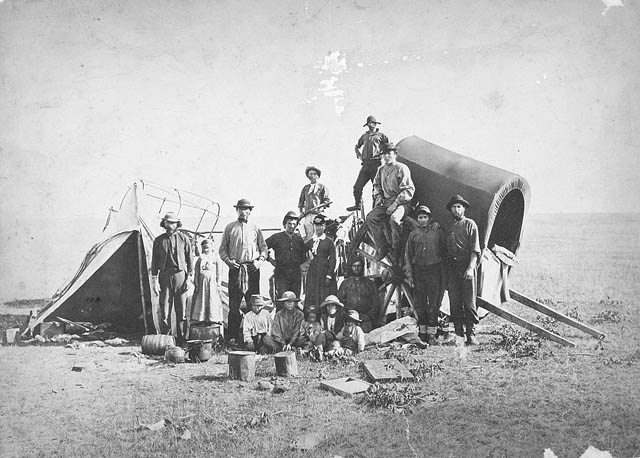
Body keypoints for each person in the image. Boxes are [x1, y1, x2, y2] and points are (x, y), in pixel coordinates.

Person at [218, 198, 268, 344]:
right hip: (236, 269)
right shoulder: (230, 228)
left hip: (252, 269)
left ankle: (255, 337)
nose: (242, 211)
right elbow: (222, 250)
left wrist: (259, 262)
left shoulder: (255, 228)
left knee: (254, 304)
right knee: (234, 304)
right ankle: (233, 337)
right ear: (237, 211)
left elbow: (264, 248)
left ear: (250, 211)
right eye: (240, 209)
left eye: (245, 209)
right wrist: (229, 262)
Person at [365, 142, 415, 263]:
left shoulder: (402, 168)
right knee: (370, 218)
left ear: (395, 154)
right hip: (386, 201)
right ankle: (382, 246)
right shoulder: (381, 170)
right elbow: (376, 186)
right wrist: (379, 196)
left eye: (389, 153)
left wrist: (395, 204)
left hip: (402, 202)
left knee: (394, 219)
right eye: (384, 154)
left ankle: (396, 247)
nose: (386, 156)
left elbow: (408, 189)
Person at [443, 195, 481, 345]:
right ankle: (459, 335)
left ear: (464, 209)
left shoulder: (470, 224)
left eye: (459, 206)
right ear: (451, 210)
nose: (456, 209)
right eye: (454, 207)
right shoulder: (447, 226)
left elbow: (475, 249)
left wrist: (471, 268)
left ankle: (471, 334)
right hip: (452, 268)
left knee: (469, 302)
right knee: (455, 301)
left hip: (467, 266)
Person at [151, 212, 194, 346]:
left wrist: (188, 278)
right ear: (164, 224)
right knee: (165, 310)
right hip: (164, 276)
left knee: (181, 310)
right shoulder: (158, 240)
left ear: (177, 224)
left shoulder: (184, 239)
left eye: (173, 223)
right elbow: (154, 261)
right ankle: (166, 340)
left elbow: (190, 259)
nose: (170, 225)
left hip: (180, 276)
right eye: (168, 223)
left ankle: (181, 340)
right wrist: (154, 280)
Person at [405, 205, 446, 344]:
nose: (422, 220)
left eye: (425, 217)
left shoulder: (437, 232)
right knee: (420, 304)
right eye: (420, 217)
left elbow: (444, 252)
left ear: (430, 219)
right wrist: (410, 275)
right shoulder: (413, 235)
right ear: (417, 219)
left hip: (434, 271)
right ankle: (422, 334)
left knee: (434, 304)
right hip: (419, 272)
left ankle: (432, 335)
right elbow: (408, 256)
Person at [349, 115, 390, 212]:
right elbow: (357, 146)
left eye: (372, 123)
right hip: (365, 164)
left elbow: (388, 146)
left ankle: (375, 207)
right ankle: (357, 204)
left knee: (376, 187)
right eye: (369, 123)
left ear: (376, 124)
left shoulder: (381, 135)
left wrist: (383, 156)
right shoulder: (364, 136)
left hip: (376, 163)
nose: (370, 125)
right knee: (357, 186)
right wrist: (358, 154)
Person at [266, 211, 306, 301]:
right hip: (281, 273)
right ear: (284, 224)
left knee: (295, 299)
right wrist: (270, 260)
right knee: (282, 299)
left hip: (296, 274)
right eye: (289, 224)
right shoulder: (277, 237)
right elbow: (262, 246)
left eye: (294, 224)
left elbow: (304, 256)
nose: (292, 226)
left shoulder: (299, 239)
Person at [337, 257, 381, 333]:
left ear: (362, 267)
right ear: (351, 267)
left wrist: (369, 316)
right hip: (349, 319)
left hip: (365, 319)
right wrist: (346, 314)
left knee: (364, 337)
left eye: (359, 266)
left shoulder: (369, 283)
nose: (356, 268)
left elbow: (376, 303)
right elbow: (339, 302)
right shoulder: (345, 283)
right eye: (354, 266)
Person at [304, 214, 337, 308]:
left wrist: (329, 275)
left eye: (320, 226)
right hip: (313, 272)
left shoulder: (329, 241)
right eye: (316, 226)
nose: (318, 228)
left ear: (324, 226)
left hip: (324, 271)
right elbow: (302, 252)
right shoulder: (310, 242)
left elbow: (333, 259)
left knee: (324, 294)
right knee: (313, 294)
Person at [191, 239, 224, 326]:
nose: (206, 250)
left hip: (212, 282)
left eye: (207, 248)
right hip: (202, 282)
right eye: (204, 248)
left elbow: (219, 272)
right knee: (202, 299)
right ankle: (201, 318)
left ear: (212, 247)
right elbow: (197, 272)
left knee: (212, 299)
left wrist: (218, 284)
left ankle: (212, 318)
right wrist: (196, 283)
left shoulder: (216, 258)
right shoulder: (200, 258)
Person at [298, 166, 331, 241]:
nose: (312, 176)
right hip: (308, 215)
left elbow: (327, 200)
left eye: (314, 174)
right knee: (308, 234)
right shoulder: (305, 188)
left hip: (318, 214)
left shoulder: (322, 187)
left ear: (318, 176)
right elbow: (301, 202)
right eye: (310, 174)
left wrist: (321, 208)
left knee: (319, 235)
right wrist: (301, 212)